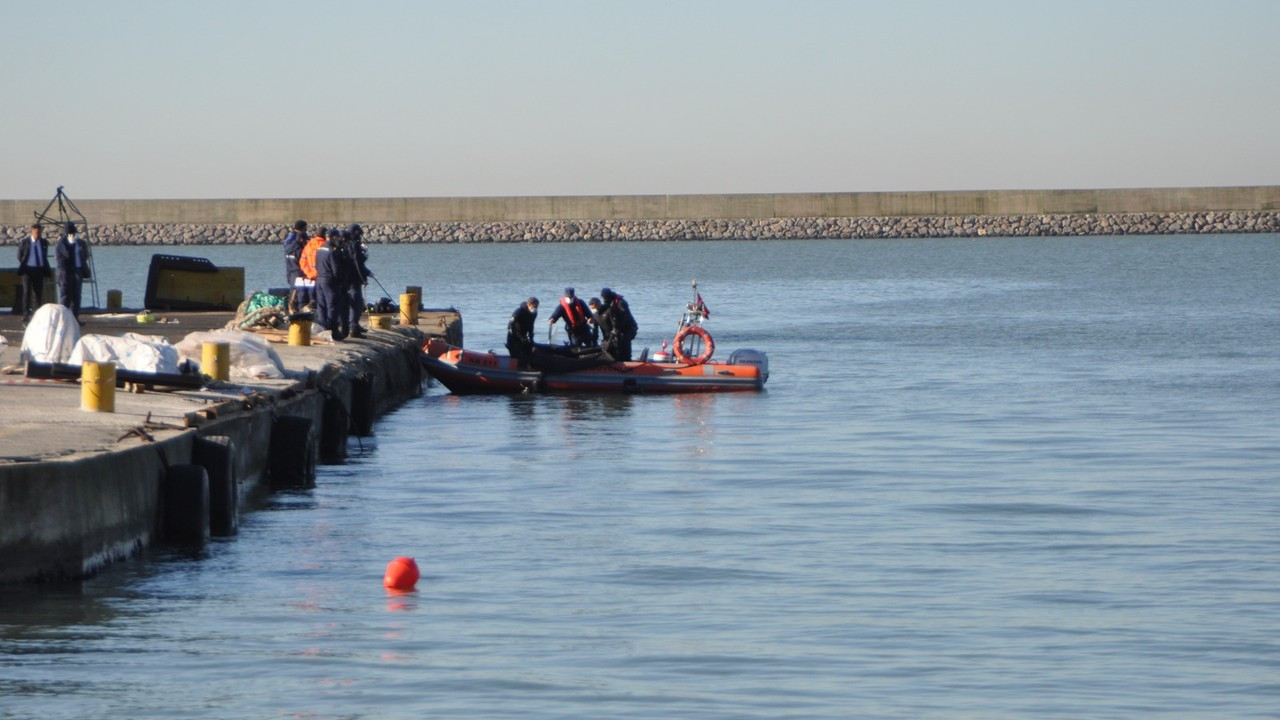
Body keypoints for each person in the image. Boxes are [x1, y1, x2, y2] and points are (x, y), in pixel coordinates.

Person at [315, 228, 350, 340]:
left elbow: (316, 266)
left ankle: (322, 328)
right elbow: (336, 270)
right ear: (334, 237)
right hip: (329, 281)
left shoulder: (319, 250)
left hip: (319, 279)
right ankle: (333, 331)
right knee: (332, 306)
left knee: (321, 305)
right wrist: (342, 282)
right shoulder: (332, 252)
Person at [55, 222, 90, 321]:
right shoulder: (61, 243)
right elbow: (62, 258)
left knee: (77, 296)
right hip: (65, 272)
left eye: (74, 233)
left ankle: (75, 319)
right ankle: (63, 319)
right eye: (70, 233)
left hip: (78, 270)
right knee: (65, 295)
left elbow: (85, 255)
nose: (72, 235)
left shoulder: (80, 243)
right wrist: (71, 245)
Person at [16, 223, 51, 323]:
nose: (38, 235)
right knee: (26, 292)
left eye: (39, 233)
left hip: (39, 270)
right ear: (32, 232)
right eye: (36, 233)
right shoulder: (25, 242)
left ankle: (37, 313)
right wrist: (24, 263)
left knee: (38, 292)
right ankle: (26, 314)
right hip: (28, 269)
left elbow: (44, 256)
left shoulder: (43, 242)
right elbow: (19, 255)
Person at [345, 224, 372, 338]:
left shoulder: (343, 244)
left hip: (345, 279)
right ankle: (354, 327)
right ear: (356, 233)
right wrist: (363, 278)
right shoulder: (354, 245)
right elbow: (357, 263)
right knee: (356, 303)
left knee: (351, 303)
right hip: (353, 279)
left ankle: (353, 325)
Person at [599, 287, 638, 361]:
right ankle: (619, 359)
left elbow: (623, 319)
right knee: (616, 342)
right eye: (603, 298)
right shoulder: (609, 303)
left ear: (609, 296)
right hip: (619, 328)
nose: (604, 300)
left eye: (605, 298)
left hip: (629, 327)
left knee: (625, 341)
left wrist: (615, 330)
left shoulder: (621, 303)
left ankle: (627, 360)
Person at [298, 227, 327, 314]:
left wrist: (309, 273)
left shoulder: (309, 245)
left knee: (312, 300)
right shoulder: (325, 245)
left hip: (310, 278)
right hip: (321, 277)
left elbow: (302, 261)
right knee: (323, 301)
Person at [283, 220, 308, 313]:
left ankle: (292, 310)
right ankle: (299, 313)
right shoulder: (296, 240)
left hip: (290, 270)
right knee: (300, 294)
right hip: (297, 271)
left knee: (293, 291)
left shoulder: (289, 239)